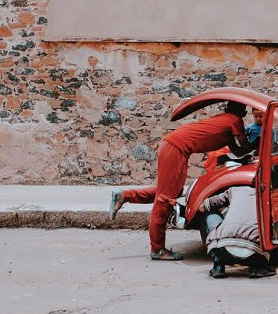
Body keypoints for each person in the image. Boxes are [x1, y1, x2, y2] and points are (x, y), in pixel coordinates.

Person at [108, 101, 251, 261]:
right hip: (177, 149)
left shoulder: (225, 119)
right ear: (243, 112)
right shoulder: (235, 121)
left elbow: (236, 149)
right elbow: (243, 145)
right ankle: (157, 249)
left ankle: (125, 195)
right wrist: (257, 145)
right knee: (165, 199)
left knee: (173, 191)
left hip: (171, 146)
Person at [198, 185, 276, 279]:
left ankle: (218, 266)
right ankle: (258, 269)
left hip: (223, 252)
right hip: (256, 256)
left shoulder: (234, 190)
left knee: (210, 213)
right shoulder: (271, 196)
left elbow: (202, 207)